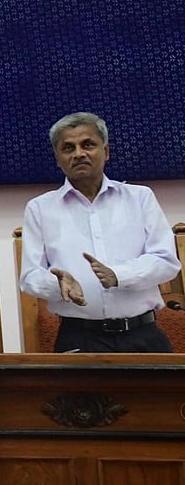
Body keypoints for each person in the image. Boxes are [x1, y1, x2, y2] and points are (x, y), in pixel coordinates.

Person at [19, 111, 181, 352]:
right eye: (68, 148)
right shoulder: (40, 208)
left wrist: (118, 275)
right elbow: (30, 277)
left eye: (88, 144)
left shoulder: (140, 198)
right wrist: (58, 284)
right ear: (57, 158)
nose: (79, 154)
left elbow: (166, 261)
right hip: (78, 338)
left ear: (105, 151)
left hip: (142, 336)